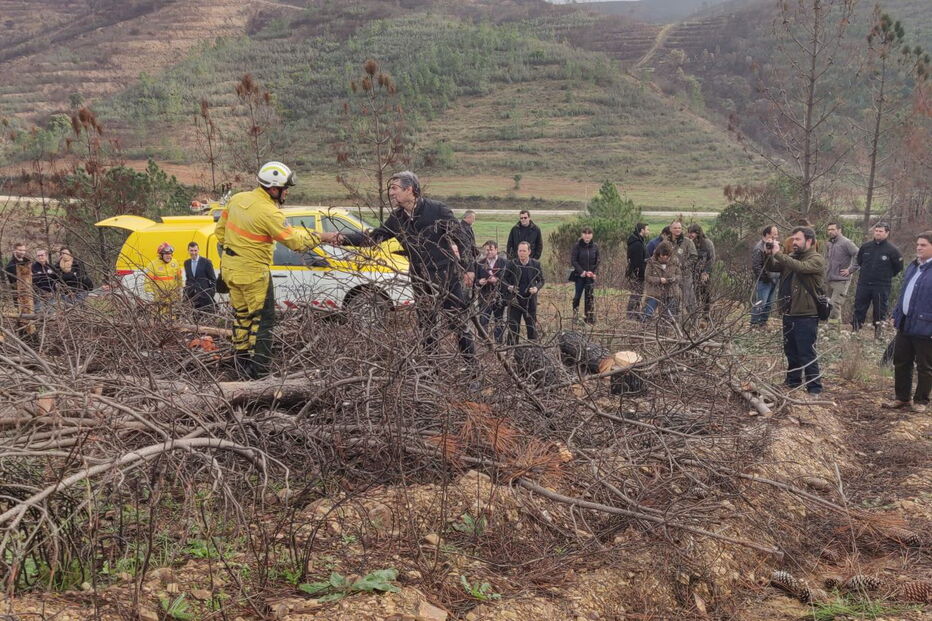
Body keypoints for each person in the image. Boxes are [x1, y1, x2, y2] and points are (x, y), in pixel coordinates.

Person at [216, 161, 340, 379]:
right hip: (253, 273)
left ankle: (240, 364)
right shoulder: (269, 212)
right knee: (263, 321)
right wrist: (322, 236)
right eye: (285, 189)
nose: (287, 194)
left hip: (230, 270)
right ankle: (259, 373)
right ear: (273, 189)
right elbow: (295, 242)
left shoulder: (236, 200)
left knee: (242, 317)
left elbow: (219, 233)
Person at [342, 170, 475, 361]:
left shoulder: (437, 210)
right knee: (426, 326)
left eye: (395, 189)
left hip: (446, 277)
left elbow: (462, 238)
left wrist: (468, 268)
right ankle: (430, 370)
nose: (391, 193)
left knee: (457, 323)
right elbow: (374, 238)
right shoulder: (397, 219)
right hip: (420, 279)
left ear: (409, 189)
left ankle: (473, 371)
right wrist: (341, 238)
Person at [764, 226, 827, 394]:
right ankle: (793, 382)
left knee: (806, 352)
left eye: (798, 239)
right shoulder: (791, 257)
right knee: (791, 351)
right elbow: (774, 267)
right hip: (789, 311)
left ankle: (814, 388)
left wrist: (779, 254)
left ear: (810, 241)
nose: (794, 243)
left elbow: (801, 267)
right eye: (793, 239)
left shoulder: (816, 259)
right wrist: (769, 254)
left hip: (806, 314)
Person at [883, 231, 932, 413]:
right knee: (901, 361)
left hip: (926, 326)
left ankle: (921, 401)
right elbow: (904, 293)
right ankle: (902, 398)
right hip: (906, 323)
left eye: (924, 245)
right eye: (918, 244)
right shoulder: (914, 266)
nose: (918, 247)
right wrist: (897, 313)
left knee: (925, 366)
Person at [852, 222, 904, 338]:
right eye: (876, 231)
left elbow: (898, 267)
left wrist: (885, 275)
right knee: (859, 307)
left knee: (880, 310)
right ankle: (855, 331)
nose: (878, 233)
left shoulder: (893, 250)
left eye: (881, 231)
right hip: (864, 283)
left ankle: (878, 334)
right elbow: (860, 261)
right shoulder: (866, 247)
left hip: (881, 285)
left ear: (887, 233)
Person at [504, 241, 544, 343]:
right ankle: (511, 350)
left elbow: (541, 280)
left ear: (529, 252)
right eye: (520, 251)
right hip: (515, 300)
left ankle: (533, 350)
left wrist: (536, 288)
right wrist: (509, 286)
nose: (521, 253)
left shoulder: (535, 264)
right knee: (513, 327)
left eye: (524, 251)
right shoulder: (512, 264)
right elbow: (503, 279)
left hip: (530, 301)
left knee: (531, 327)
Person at [472, 240, 508, 343]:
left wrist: (498, 280)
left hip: (499, 296)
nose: (489, 252)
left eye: (491, 250)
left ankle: (498, 344)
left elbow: (508, 279)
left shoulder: (504, 263)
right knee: (483, 320)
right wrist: (480, 281)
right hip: (484, 296)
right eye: (486, 250)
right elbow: (474, 280)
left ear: (496, 250)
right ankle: (484, 342)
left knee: (499, 320)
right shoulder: (479, 263)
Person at [822, 222, 859, 323]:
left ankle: (833, 333)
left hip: (841, 280)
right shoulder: (829, 243)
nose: (830, 232)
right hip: (830, 279)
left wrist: (851, 269)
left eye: (833, 229)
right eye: (829, 229)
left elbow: (859, 254)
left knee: (834, 305)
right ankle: (834, 331)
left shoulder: (846, 242)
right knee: (829, 306)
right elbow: (827, 260)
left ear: (839, 230)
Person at [750, 225, 780, 328]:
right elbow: (756, 266)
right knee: (761, 303)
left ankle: (763, 322)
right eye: (774, 233)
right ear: (767, 234)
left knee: (769, 303)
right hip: (765, 280)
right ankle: (754, 323)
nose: (776, 236)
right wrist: (765, 278)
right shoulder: (759, 248)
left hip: (774, 279)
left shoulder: (774, 246)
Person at [643, 241, 680, 322]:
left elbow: (679, 276)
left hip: (671, 293)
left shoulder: (675, 261)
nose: (665, 257)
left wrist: (672, 279)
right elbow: (647, 277)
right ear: (658, 254)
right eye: (662, 255)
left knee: (670, 318)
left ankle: (666, 331)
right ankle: (644, 329)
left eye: (667, 256)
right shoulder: (651, 262)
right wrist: (659, 280)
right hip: (654, 293)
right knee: (647, 314)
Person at [144, 242, 184, 316]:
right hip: (159, 298)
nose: (169, 256)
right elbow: (147, 281)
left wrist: (180, 290)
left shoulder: (175, 263)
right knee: (160, 318)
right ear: (161, 255)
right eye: (166, 254)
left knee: (173, 317)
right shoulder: (153, 264)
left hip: (172, 297)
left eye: (170, 254)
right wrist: (149, 294)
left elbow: (179, 278)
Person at [570, 227, 599, 324]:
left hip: (590, 276)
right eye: (585, 233)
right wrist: (582, 272)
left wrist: (593, 272)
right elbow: (573, 260)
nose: (587, 236)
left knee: (589, 297)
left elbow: (597, 261)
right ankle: (575, 316)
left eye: (589, 233)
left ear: (592, 235)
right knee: (577, 296)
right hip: (580, 276)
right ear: (582, 235)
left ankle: (589, 317)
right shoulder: (577, 246)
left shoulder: (595, 246)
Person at [670, 221, 698, 313]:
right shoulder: (666, 242)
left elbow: (694, 257)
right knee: (672, 299)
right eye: (675, 228)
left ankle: (694, 321)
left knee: (689, 299)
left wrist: (684, 265)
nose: (677, 230)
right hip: (671, 276)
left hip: (685, 275)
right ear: (671, 229)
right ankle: (673, 321)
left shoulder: (688, 242)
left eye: (679, 228)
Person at [688, 224, 715, 315]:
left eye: (692, 233)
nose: (690, 235)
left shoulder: (707, 243)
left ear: (698, 233)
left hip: (704, 273)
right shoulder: (688, 242)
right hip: (691, 272)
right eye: (689, 232)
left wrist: (706, 272)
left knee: (705, 293)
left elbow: (711, 259)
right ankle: (694, 313)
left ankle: (706, 313)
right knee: (692, 294)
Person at [183, 241, 217, 314]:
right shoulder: (186, 263)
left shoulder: (206, 262)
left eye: (195, 250)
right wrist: (186, 294)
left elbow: (213, 279)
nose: (193, 253)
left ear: (198, 250)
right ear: (188, 251)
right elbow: (188, 279)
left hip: (205, 297)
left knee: (206, 318)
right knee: (195, 319)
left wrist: (210, 295)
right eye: (191, 250)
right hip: (192, 297)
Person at [626, 223, 649, 320]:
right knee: (636, 294)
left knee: (638, 294)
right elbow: (637, 262)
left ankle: (635, 313)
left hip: (636, 273)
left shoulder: (638, 241)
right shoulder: (637, 244)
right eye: (647, 229)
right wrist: (641, 274)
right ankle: (631, 314)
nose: (648, 231)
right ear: (642, 230)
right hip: (637, 274)